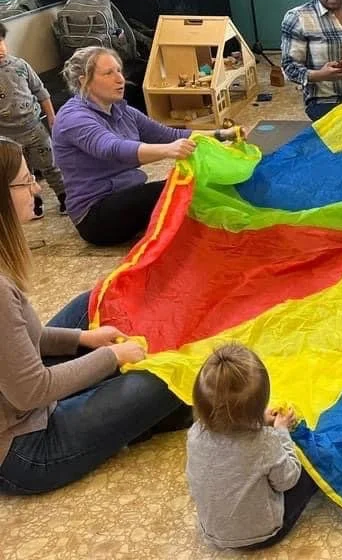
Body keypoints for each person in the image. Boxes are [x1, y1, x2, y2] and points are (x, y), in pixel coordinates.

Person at [0, 137, 188, 494]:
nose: (36, 187)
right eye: (26, 181)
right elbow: (31, 391)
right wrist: (110, 356)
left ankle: (117, 400)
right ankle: (134, 409)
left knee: (91, 305)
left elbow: (24, 338)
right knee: (168, 378)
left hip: (20, 399)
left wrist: (82, 339)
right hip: (24, 449)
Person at [51, 47, 242, 246]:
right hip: (96, 217)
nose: (120, 79)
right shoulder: (74, 118)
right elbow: (113, 149)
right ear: (84, 81)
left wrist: (221, 134)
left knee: (189, 183)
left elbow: (171, 134)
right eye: (109, 73)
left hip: (126, 198)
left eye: (119, 70)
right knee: (175, 191)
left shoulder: (122, 111)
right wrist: (168, 150)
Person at [186, 343, 317, 549]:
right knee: (310, 467)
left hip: (212, 531)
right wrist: (281, 431)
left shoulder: (195, 433)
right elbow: (288, 481)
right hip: (262, 535)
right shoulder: (265, 441)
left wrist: (256, 420)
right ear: (260, 405)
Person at [0, 21, 67, 218]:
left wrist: (53, 118)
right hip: (8, 136)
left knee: (50, 164)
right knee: (22, 172)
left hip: (34, 128)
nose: (0, 48)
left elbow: (41, 92)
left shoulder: (20, 66)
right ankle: (34, 201)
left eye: (1, 41)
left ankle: (64, 196)